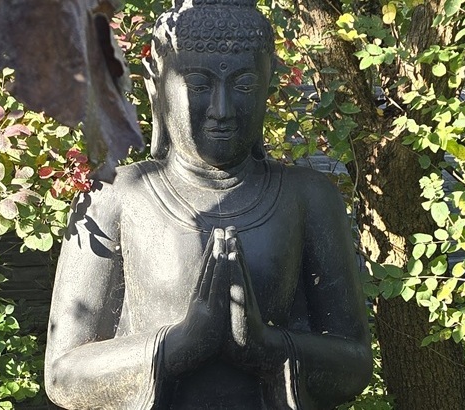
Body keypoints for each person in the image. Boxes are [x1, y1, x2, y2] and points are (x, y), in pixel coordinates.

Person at [42, 0, 373, 408]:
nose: (222, 111)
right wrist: (178, 345)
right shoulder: (114, 195)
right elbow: (62, 374)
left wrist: (265, 346)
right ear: (156, 88)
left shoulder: (308, 196)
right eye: (198, 85)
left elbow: (355, 362)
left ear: (268, 88)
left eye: (244, 86)